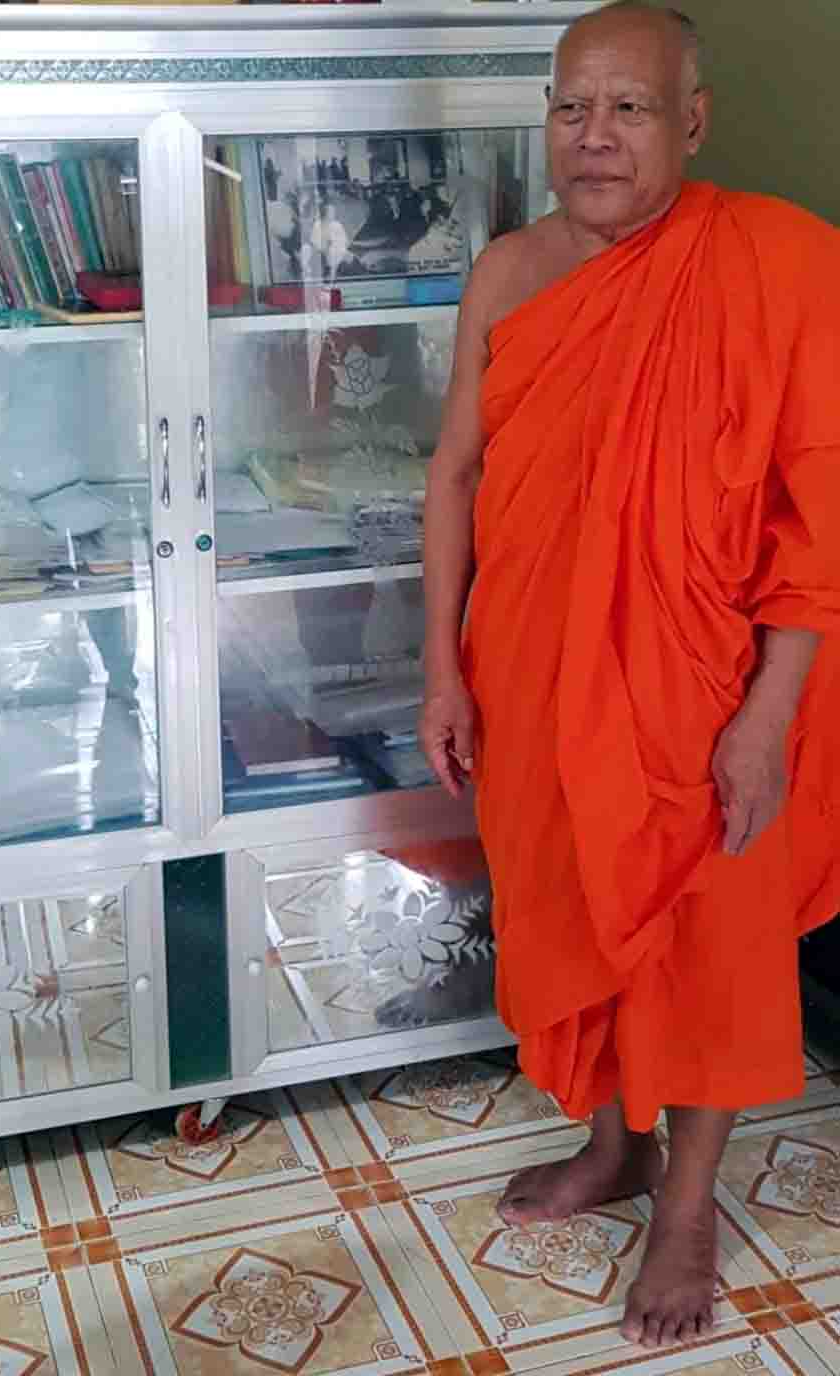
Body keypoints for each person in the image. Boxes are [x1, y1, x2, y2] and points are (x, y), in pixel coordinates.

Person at [419, 0, 840, 1352]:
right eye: (571, 107)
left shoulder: (779, 262)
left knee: (708, 941)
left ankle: (690, 1205)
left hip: (710, 686)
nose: (594, 135)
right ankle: (616, 1144)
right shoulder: (509, 272)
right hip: (532, 673)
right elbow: (456, 474)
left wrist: (769, 715)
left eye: (630, 107)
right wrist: (442, 670)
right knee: (568, 906)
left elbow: (820, 509)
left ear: (692, 123)